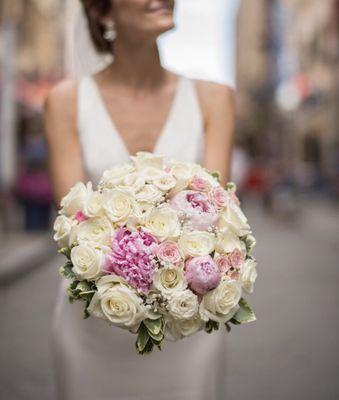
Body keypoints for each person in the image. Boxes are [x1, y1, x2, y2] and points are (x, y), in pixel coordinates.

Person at [44, 1, 235, 399]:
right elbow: (73, 221)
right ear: (103, 12)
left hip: (187, 322)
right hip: (94, 320)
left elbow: (219, 214)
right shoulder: (64, 101)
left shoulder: (214, 99)